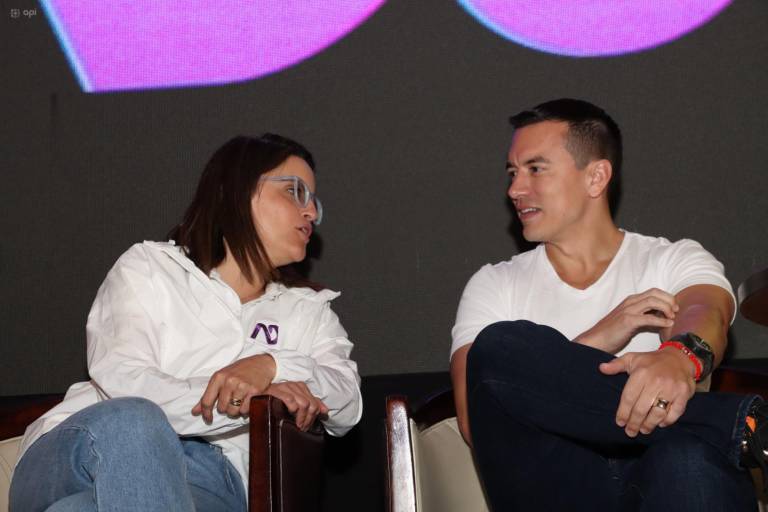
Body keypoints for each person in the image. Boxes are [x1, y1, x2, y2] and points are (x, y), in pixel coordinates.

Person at [10, 134, 362, 512]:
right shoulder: (149, 268)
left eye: (314, 201)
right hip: (81, 449)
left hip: (210, 479)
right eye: (295, 191)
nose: (311, 212)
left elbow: (346, 401)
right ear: (235, 191)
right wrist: (244, 399)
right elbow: (125, 378)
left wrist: (271, 365)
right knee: (134, 420)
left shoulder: (309, 311)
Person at [449, 99, 767, 511]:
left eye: (535, 169)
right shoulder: (495, 284)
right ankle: (735, 424)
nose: (514, 189)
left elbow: (706, 310)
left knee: (687, 460)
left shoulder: (671, 259)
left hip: (664, 476)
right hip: (553, 485)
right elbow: (476, 416)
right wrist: (600, 337)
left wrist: (680, 357)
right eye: (512, 173)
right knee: (497, 346)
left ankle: (722, 428)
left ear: (596, 177)